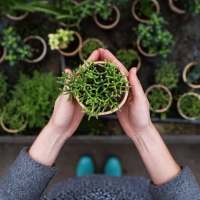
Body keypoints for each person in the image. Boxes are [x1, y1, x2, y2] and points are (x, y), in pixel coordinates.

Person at [0, 49, 199, 200]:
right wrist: (143, 133)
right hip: (130, 194)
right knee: (119, 183)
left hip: (71, 193)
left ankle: (86, 178)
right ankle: (109, 178)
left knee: (81, 183)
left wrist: (56, 131)